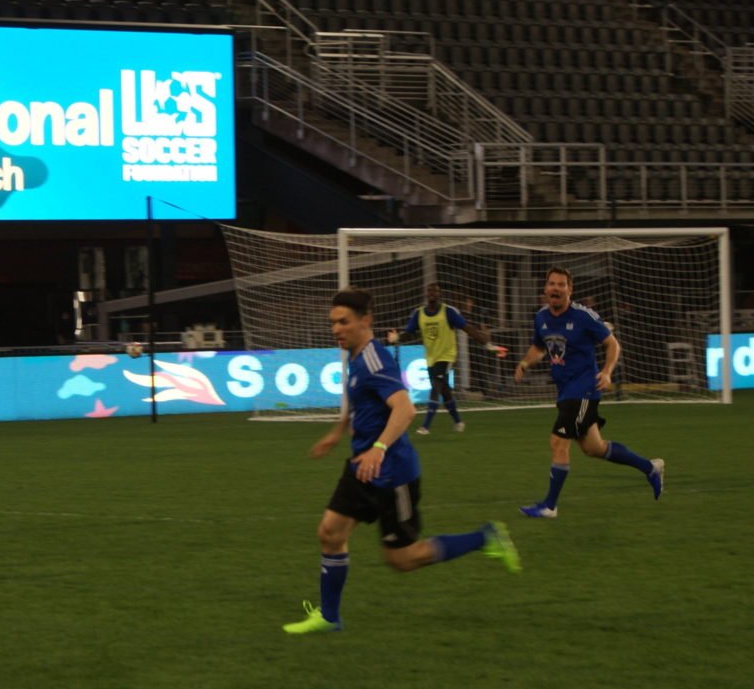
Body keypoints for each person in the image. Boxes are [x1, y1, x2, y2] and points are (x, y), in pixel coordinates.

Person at [284, 288, 521, 635]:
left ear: (366, 321)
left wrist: (379, 447)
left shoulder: (375, 360)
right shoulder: (356, 356)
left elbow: (405, 408)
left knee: (402, 559)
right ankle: (329, 617)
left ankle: (485, 538)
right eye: (333, 322)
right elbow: (359, 401)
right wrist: (338, 432)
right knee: (329, 533)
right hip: (362, 466)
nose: (336, 329)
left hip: (393, 474)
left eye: (343, 322)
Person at [512, 266, 664, 519]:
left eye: (562, 285)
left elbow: (612, 343)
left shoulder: (584, 317)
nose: (556, 289)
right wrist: (525, 362)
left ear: (570, 290)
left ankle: (550, 505)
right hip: (565, 391)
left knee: (558, 442)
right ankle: (650, 467)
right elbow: (539, 347)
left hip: (583, 390)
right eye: (552, 284)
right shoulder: (540, 318)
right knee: (594, 448)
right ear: (545, 289)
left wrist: (606, 372)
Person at [386, 283, 507, 435]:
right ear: (426, 295)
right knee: (444, 390)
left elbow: (468, 329)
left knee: (436, 386)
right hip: (431, 357)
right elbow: (409, 333)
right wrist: (396, 337)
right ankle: (458, 421)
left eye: (436, 292)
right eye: (430, 292)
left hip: (447, 356)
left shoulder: (449, 312)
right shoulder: (419, 314)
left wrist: (488, 345)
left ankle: (425, 426)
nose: (433, 294)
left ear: (439, 295)